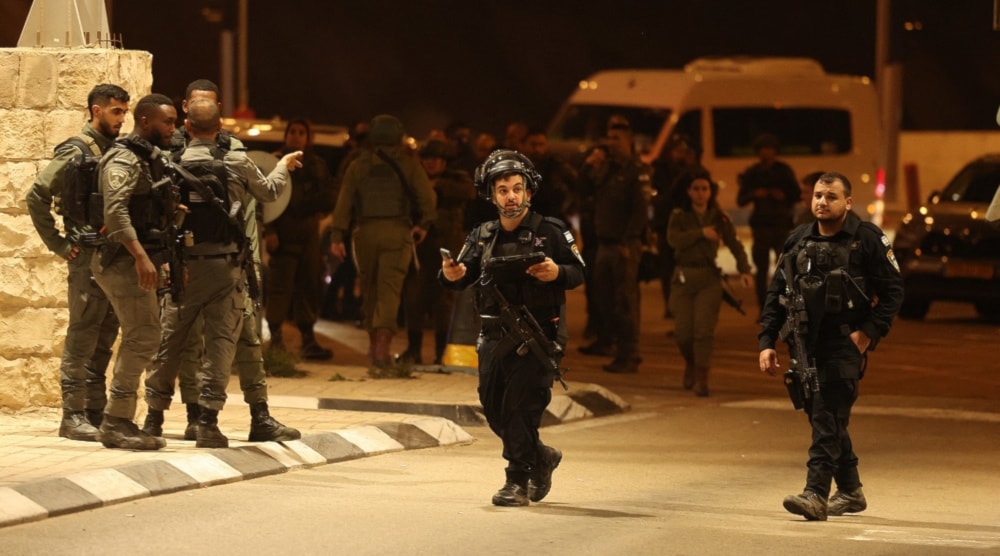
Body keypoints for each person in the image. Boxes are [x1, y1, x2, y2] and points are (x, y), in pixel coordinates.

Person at [142, 99, 303, 448]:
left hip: (183, 268)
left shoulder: (172, 162)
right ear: (219, 129)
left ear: (187, 126)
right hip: (224, 268)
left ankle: (153, 419)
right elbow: (270, 191)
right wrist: (284, 166)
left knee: (171, 343)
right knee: (220, 345)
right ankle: (207, 422)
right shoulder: (235, 161)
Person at [439, 149, 584, 506]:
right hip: (492, 336)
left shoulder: (551, 231)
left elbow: (578, 272)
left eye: (517, 188)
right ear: (491, 195)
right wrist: (451, 274)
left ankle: (516, 480)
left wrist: (557, 273)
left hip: (536, 336)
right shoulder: (482, 235)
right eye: (502, 190)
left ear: (529, 192)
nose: (511, 196)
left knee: (521, 408)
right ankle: (542, 457)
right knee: (493, 409)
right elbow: (461, 275)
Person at [758, 171, 903, 521]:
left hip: (843, 344)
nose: (823, 201)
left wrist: (868, 332)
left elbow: (894, 291)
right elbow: (777, 293)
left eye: (831, 196)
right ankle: (851, 491)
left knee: (827, 417)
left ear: (848, 202)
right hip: (805, 346)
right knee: (827, 420)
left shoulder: (866, 238)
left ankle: (815, 494)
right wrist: (767, 341)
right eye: (818, 195)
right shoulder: (798, 239)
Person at [25, 83, 130, 441]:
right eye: (116, 112)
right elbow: (37, 194)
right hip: (86, 259)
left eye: (125, 112)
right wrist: (58, 244)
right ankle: (72, 415)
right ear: (96, 110)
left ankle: (95, 410)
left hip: (113, 258)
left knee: (106, 335)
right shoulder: (77, 150)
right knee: (83, 335)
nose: (122, 119)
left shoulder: (115, 151)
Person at [89, 93, 179, 451]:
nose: (173, 128)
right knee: (144, 336)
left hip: (137, 258)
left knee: (143, 335)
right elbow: (115, 214)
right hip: (121, 260)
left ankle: (120, 418)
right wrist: (141, 257)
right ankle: (116, 421)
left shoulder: (149, 157)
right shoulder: (124, 159)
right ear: (145, 121)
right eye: (167, 122)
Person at [329, 114, 437, 367]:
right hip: (397, 233)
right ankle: (382, 347)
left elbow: (343, 203)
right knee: (390, 291)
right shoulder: (410, 165)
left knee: (369, 289)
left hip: (365, 234)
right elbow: (428, 200)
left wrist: (337, 235)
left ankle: (371, 344)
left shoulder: (358, 165)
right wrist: (424, 225)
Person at [667, 171, 753, 396]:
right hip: (684, 277)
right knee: (683, 332)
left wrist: (745, 270)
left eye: (704, 189)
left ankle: (702, 378)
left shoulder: (719, 217)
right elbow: (673, 239)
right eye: (696, 189)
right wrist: (701, 233)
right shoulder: (679, 216)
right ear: (688, 192)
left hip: (709, 279)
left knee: (703, 330)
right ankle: (691, 364)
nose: (700, 193)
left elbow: (734, 244)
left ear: (710, 191)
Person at [577, 123, 652, 373]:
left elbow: (641, 210)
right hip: (604, 243)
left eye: (616, 138)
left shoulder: (635, 171)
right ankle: (615, 344)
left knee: (625, 301)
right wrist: (589, 166)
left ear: (628, 141)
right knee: (604, 299)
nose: (610, 143)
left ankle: (629, 353)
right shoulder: (608, 170)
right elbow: (585, 192)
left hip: (623, 245)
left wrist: (630, 239)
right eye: (608, 138)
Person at [265, 118, 336, 360]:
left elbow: (328, 192)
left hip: (308, 234)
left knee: (309, 286)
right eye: (292, 132)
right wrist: (270, 230)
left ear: (308, 137)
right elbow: (267, 199)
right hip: (284, 233)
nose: (296, 136)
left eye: (301, 132)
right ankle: (275, 340)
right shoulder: (277, 162)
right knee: (280, 289)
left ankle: (308, 339)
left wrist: (323, 206)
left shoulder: (316, 164)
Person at [399, 139, 476, 364]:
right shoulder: (414, 180)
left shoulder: (456, 179)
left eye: (436, 159)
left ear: (444, 161)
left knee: (444, 302)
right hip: (420, 248)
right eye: (427, 159)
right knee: (414, 298)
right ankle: (413, 349)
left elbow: (469, 191)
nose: (431, 164)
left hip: (447, 248)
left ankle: (441, 353)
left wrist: (437, 187)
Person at [736, 133, 801, 313]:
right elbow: (740, 199)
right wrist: (755, 194)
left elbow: (796, 194)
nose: (766, 153)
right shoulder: (753, 173)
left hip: (781, 225)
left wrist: (783, 195)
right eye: (763, 149)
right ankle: (765, 309)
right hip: (761, 226)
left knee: (785, 268)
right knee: (761, 270)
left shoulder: (783, 171)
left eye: (770, 149)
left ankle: (786, 307)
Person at [650, 134, 704, 319]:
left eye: (684, 151)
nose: (680, 154)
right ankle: (671, 305)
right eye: (677, 150)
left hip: (688, 227)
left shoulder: (694, 172)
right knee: (667, 268)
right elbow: (660, 196)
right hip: (665, 224)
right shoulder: (661, 170)